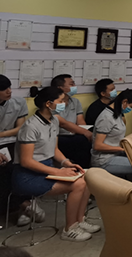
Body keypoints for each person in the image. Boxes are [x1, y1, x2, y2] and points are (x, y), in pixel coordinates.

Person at [14, 87, 98, 241]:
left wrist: (66, 163)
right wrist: (58, 172)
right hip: (28, 176)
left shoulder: (54, 121)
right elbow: (26, 161)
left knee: (86, 177)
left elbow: (54, 149)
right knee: (78, 185)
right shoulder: (30, 127)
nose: (64, 104)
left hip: (47, 170)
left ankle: (80, 220)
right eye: (61, 101)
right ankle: (70, 229)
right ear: (48, 103)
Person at [0, 75, 34, 225]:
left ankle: (24, 205)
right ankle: (22, 204)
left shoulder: (18, 102)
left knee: (23, 165)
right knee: (4, 169)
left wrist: (1, 134)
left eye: (9, 87)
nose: (9, 91)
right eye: (4, 89)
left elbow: (20, 128)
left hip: (12, 141)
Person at [91, 89, 132, 179]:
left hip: (115, 154)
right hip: (104, 160)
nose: (131, 109)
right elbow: (97, 145)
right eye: (131, 106)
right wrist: (122, 149)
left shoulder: (117, 114)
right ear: (124, 102)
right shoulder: (106, 117)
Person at [50, 74, 93, 169]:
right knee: (79, 141)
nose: (74, 86)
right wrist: (85, 132)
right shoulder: (52, 103)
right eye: (71, 84)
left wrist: (86, 132)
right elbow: (63, 124)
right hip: (59, 135)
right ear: (60, 88)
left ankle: (84, 170)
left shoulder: (75, 101)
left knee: (85, 140)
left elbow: (80, 121)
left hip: (75, 134)